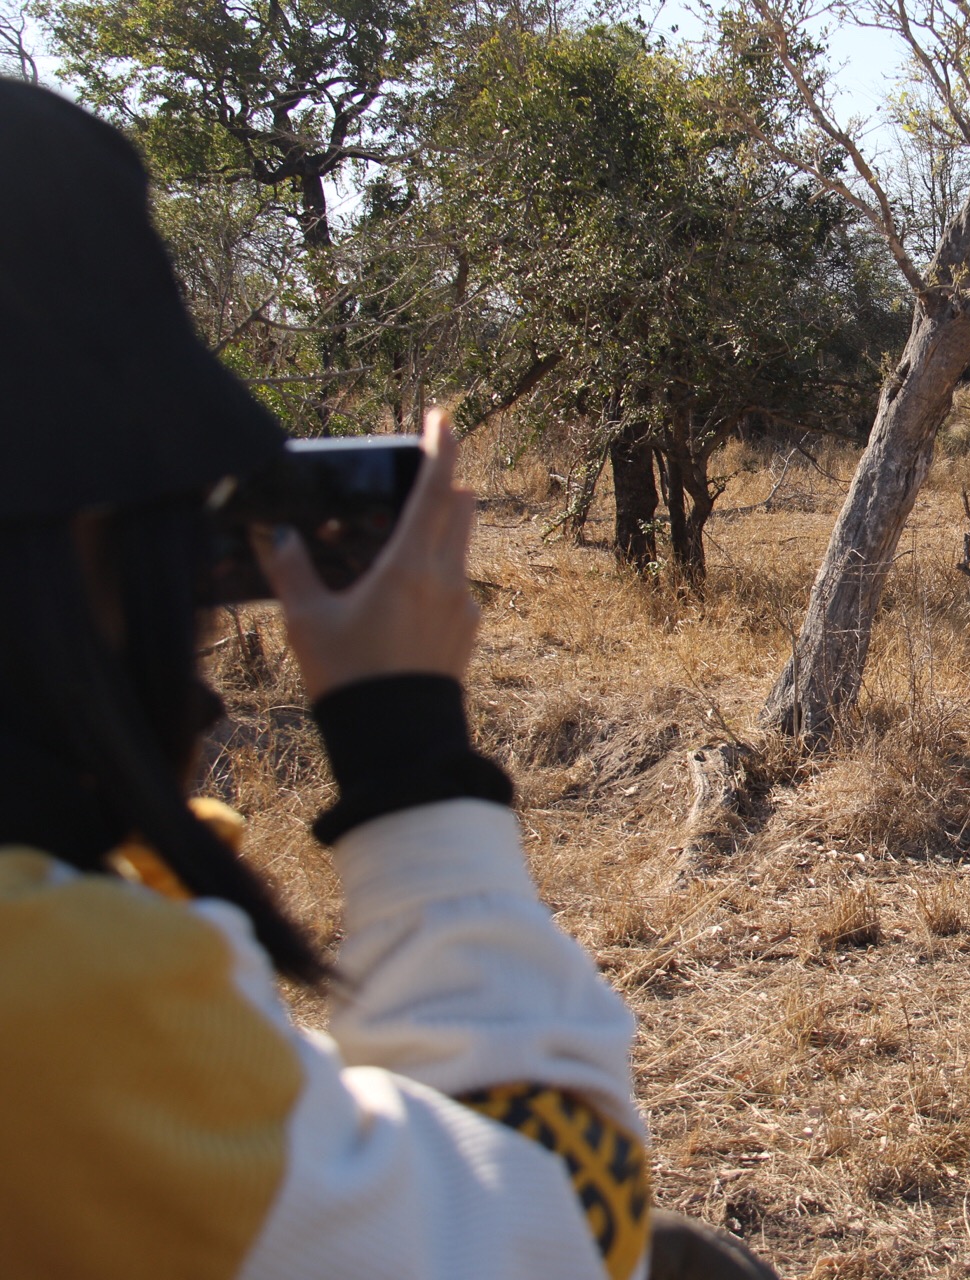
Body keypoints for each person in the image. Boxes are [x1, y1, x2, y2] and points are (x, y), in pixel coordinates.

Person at [0, 80, 776, 1280]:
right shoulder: (53, 1000)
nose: (202, 595)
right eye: (171, 524)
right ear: (69, 532)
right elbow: (566, 1217)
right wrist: (407, 756)